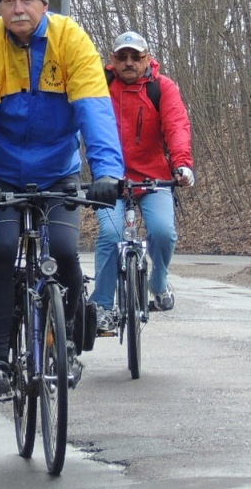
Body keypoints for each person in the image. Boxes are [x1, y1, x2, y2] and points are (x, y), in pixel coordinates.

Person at [0, 0, 124, 401]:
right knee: (3, 250)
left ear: (44, 4)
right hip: (0, 175)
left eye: (26, 0)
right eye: (8, 2)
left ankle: (66, 341)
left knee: (66, 250)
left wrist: (106, 171)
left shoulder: (70, 38)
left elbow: (94, 109)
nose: (17, 9)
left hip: (57, 171)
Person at [91, 31, 195, 332]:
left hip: (154, 179)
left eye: (136, 57)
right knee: (110, 236)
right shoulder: (99, 86)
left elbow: (176, 126)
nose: (129, 63)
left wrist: (182, 165)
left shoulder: (162, 88)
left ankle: (159, 285)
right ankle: (102, 306)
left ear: (147, 58)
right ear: (113, 61)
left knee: (163, 232)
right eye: (122, 57)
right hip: (110, 180)